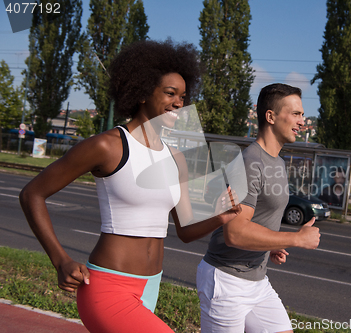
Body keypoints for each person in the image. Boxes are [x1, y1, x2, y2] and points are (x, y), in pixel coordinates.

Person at [19, 40, 240, 333]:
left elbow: (185, 232)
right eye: (170, 93)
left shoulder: (175, 158)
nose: (179, 103)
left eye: (183, 96)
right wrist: (60, 260)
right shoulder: (107, 146)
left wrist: (221, 216)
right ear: (143, 92)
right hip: (107, 287)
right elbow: (32, 193)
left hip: (151, 285)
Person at [196, 83, 321, 333]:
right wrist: (295, 238)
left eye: (302, 114)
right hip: (226, 281)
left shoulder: (278, 162)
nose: (302, 121)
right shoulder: (249, 162)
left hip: (256, 281)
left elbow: (257, 218)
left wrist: (270, 243)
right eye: (295, 113)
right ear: (271, 116)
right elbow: (235, 233)